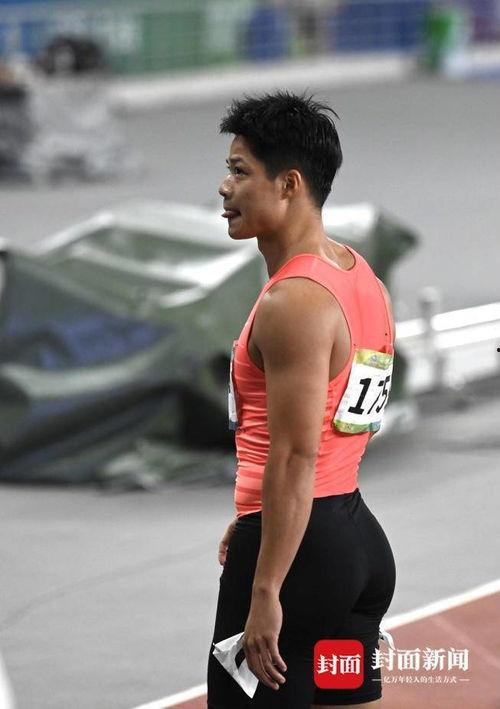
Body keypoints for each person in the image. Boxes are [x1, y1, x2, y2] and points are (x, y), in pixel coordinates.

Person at [207, 91, 396, 708]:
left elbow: (295, 455)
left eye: (240, 171)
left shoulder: (294, 302)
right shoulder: (359, 276)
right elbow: (348, 420)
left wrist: (266, 588)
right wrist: (254, 511)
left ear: (288, 184)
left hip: (298, 564)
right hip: (358, 545)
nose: (224, 187)